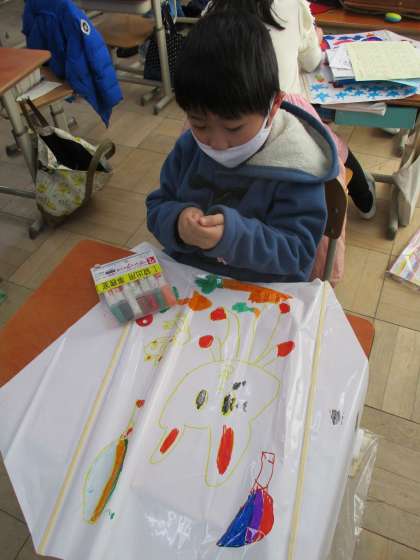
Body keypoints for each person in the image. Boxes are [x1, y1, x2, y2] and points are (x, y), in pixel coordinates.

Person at [146, 11, 339, 283]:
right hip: (189, 279)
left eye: (234, 128)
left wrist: (233, 238)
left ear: (273, 106)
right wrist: (176, 222)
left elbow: (298, 252)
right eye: (199, 125)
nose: (217, 143)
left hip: (264, 290)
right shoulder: (189, 147)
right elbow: (158, 205)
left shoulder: (297, 167)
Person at [206, 0, 376, 219]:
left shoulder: (213, 8)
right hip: (281, 118)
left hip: (221, 117)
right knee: (333, 148)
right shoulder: (291, 5)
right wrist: (315, 37)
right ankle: (365, 200)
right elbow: (312, 61)